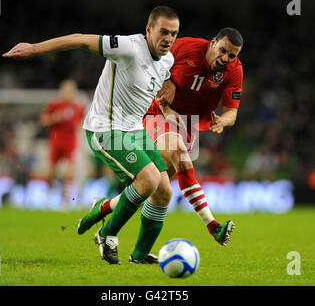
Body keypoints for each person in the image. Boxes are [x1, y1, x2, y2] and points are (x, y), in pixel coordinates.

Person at [3, 6, 180, 265]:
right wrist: (34, 48)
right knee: (149, 180)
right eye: (163, 32)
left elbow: (149, 90)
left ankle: (139, 254)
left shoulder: (168, 60)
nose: (169, 39)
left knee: (164, 191)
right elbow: (80, 39)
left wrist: (166, 109)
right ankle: (106, 235)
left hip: (134, 128)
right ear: (149, 29)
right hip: (106, 128)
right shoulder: (128, 47)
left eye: (174, 34)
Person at [78, 28, 243, 246]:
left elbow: (232, 112)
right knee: (179, 157)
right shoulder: (186, 47)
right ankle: (213, 226)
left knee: (155, 187)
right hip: (159, 112)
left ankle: (104, 210)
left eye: (232, 55)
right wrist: (163, 91)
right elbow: (153, 65)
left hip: (189, 124)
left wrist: (223, 120)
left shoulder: (234, 70)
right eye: (223, 51)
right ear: (213, 42)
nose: (226, 58)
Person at [40, 79, 85, 208]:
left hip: (70, 142)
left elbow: (81, 122)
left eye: (71, 90)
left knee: (69, 170)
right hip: (56, 141)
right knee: (51, 171)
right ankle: (47, 196)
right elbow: (43, 120)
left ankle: (65, 201)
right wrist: (55, 118)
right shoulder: (54, 104)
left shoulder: (78, 107)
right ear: (62, 91)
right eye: (66, 90)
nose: (68, 93)